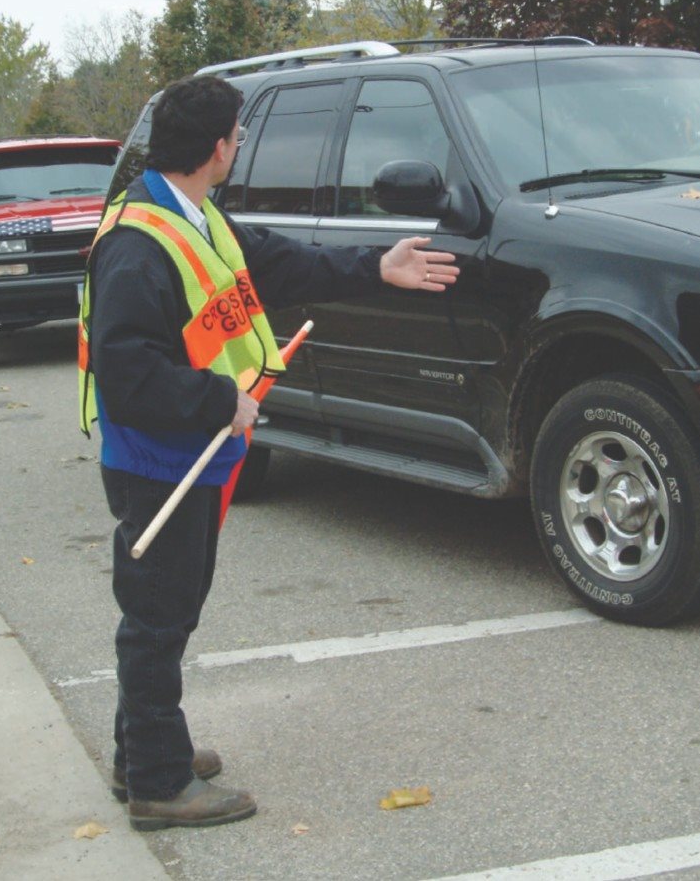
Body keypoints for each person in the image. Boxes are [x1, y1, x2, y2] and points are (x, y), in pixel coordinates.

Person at [78, 75, 459, 831]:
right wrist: (222, 399)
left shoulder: (191, 215)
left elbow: (275, 263)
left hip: (190, 454)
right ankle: (157, 781)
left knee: (167, 612)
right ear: (218, 148)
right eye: (239, 137)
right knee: (157, 617)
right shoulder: (137, 242)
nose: (240, 147)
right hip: (159, 460)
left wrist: (375, 268)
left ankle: (144, 748)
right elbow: (127, 373)